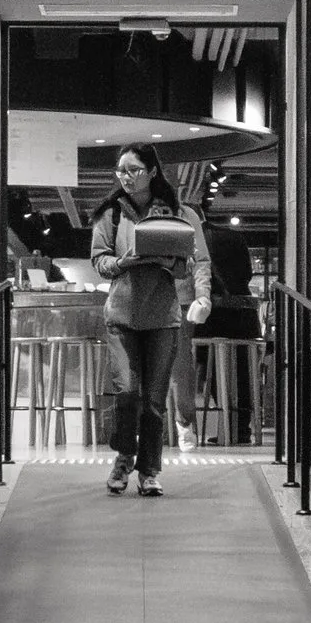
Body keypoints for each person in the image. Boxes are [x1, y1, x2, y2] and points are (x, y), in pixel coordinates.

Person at [89, 143, 210, 494]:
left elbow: (196, 260)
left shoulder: (179, 213)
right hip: (121, 316)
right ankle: (124, 458)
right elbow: (99, 260)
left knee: (154, 403)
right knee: (127, 392)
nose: (126, 177)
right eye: (121, 171)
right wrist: (123, 262)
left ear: (152, 171)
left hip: (163, 317)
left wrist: (173, 266)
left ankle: (149, 472)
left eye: (134, 170)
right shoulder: (110, 214)